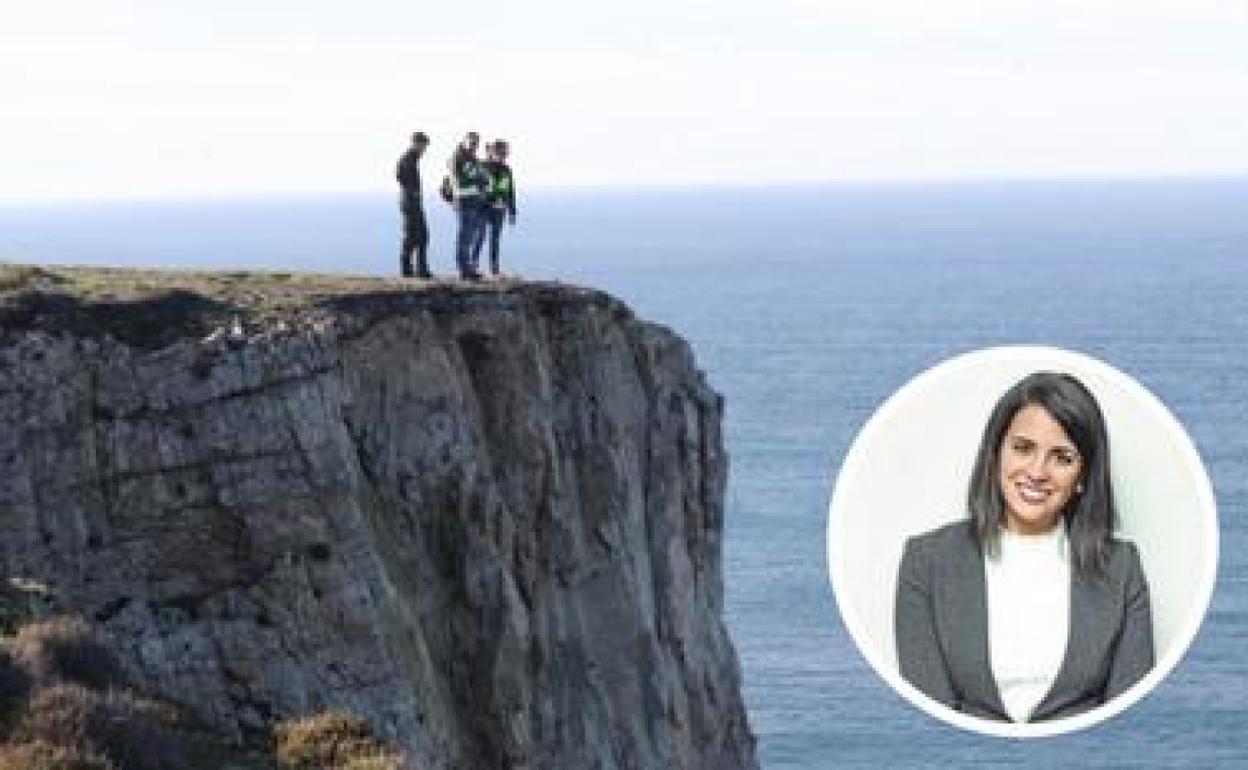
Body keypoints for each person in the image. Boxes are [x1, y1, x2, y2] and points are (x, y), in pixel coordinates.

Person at [894, 371, 1153, 723]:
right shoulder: (926, 561)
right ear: (996, 452)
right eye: (1023, 448)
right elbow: (927, 718)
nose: (1037, 471)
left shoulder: (1122, 567)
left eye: (1062, 457)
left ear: (1083, 477)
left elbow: (1130, 719)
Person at [474, 139, 517, 277]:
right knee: (480, 236)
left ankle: (494, 268)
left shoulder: (507, 170)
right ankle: (473, 264)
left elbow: (510, 191)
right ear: (493, 152)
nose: (503, 156)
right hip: (483, 208)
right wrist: (488, 201)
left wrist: (512, 211)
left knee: (495, 239)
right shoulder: (482, 166)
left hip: (500, 209)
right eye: (501, 153)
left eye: (505, 154)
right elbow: (478, 188)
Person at [448, 131, 488, 280]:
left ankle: (469, 268)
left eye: (476, 144)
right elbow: (460, 181)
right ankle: (464, 270)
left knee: (472, 237)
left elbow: (483, 176)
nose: (474, 146)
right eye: (472, 143)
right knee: (465, 238)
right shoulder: (457, 158)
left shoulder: (472, 159)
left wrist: (480, 180)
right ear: (464, 141)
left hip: (475, 202)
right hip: (465, 202)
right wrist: (478, 181)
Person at [395, 131, 431, 278]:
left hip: (412, 201)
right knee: (412, 236)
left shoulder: (412, 159)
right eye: (423, 146)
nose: (424, 150)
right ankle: (408, 269)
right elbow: (400, 176)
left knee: (421, 235)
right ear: (416, 144)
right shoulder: (406, 159)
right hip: (410, 202)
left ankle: (420, 269)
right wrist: (412, 192)